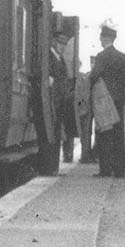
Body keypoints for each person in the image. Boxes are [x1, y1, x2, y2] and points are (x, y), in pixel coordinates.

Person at [88, 21, 125, 178]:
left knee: (104, 134)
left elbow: (94, 76)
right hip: (119, 101)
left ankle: (105, 170)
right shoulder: (123, 58)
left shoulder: (101, 57)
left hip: (104, 101)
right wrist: (122, 98)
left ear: (103, 39)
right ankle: (119, 170)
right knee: (119, 135)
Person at [49, 30, 77, 163]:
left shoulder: (60, 59)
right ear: (54, 42)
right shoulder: (50, 57)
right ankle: (51, 166)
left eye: (64, 44)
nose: (62, 46)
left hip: (60, 103)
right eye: (60, 43)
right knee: (54, 134)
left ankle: (54, 165)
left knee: (58, 134)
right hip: (53, 102)